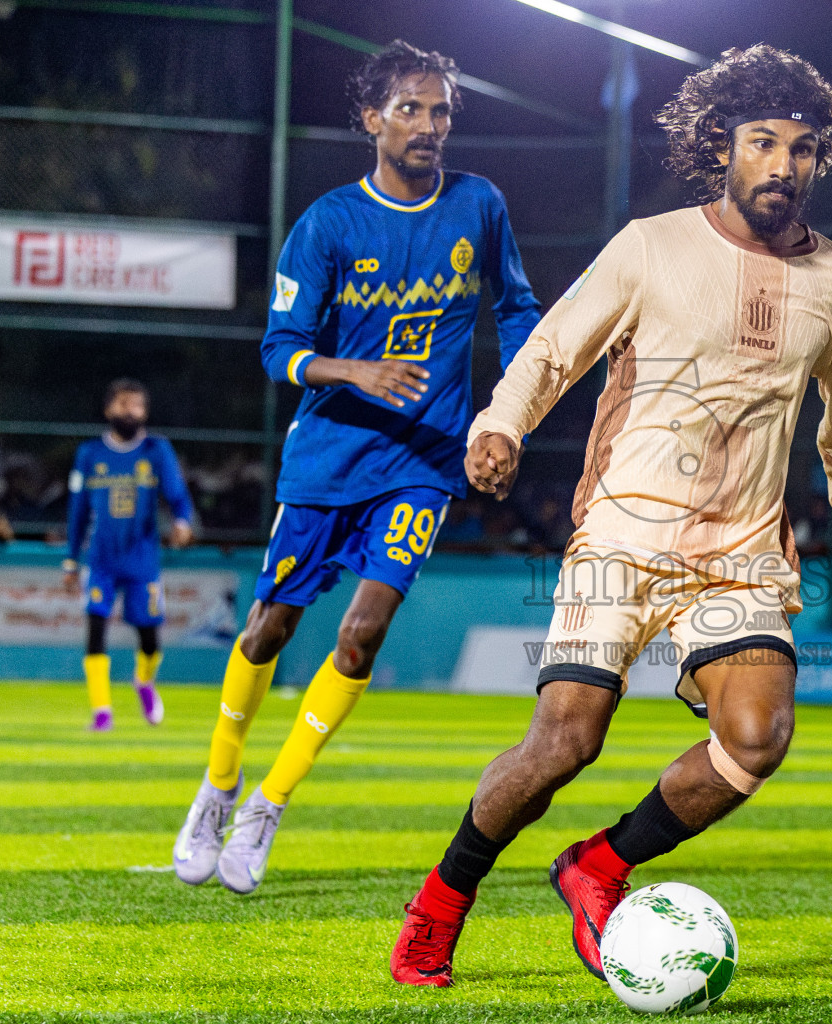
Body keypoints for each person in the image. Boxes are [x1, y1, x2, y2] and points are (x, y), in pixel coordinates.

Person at [389, 44, 832, 988]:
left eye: (803, 148)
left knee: (757, 739)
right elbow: (553, 349)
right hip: (623, 535)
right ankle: (441, 902)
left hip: (740, 553)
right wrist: (500, 423)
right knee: (564, 743)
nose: (783, 165)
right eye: (763, 142)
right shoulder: (650, 245)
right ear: (722, 145)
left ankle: (599, 866)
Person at [171, 40, 539, 894]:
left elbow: (517, 307)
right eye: (410, 109)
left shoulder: (479, 205)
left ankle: (269, 803)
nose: (429, 126)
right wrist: (353, 370)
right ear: (371, 120)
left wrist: (507, 415)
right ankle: (217, 788)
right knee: (269, 628)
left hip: (423, 462)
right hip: (329, 457)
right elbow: (279, 351)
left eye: (442, 110)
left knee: (363, 632)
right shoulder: (329, 223)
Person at [63, 379, 194, 731]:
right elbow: (76, 512)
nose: (129, 411)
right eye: (122, 404)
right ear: (108, 410)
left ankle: (144, 682)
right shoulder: (90, 454)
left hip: (142, 560)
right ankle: (102, 711)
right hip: (101, 560)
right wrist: (71, 560)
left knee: (149, 638)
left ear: (145, 412)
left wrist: (182, 521)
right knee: (95, 629)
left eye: (136, 405)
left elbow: (177, 494)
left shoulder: (156, 450)